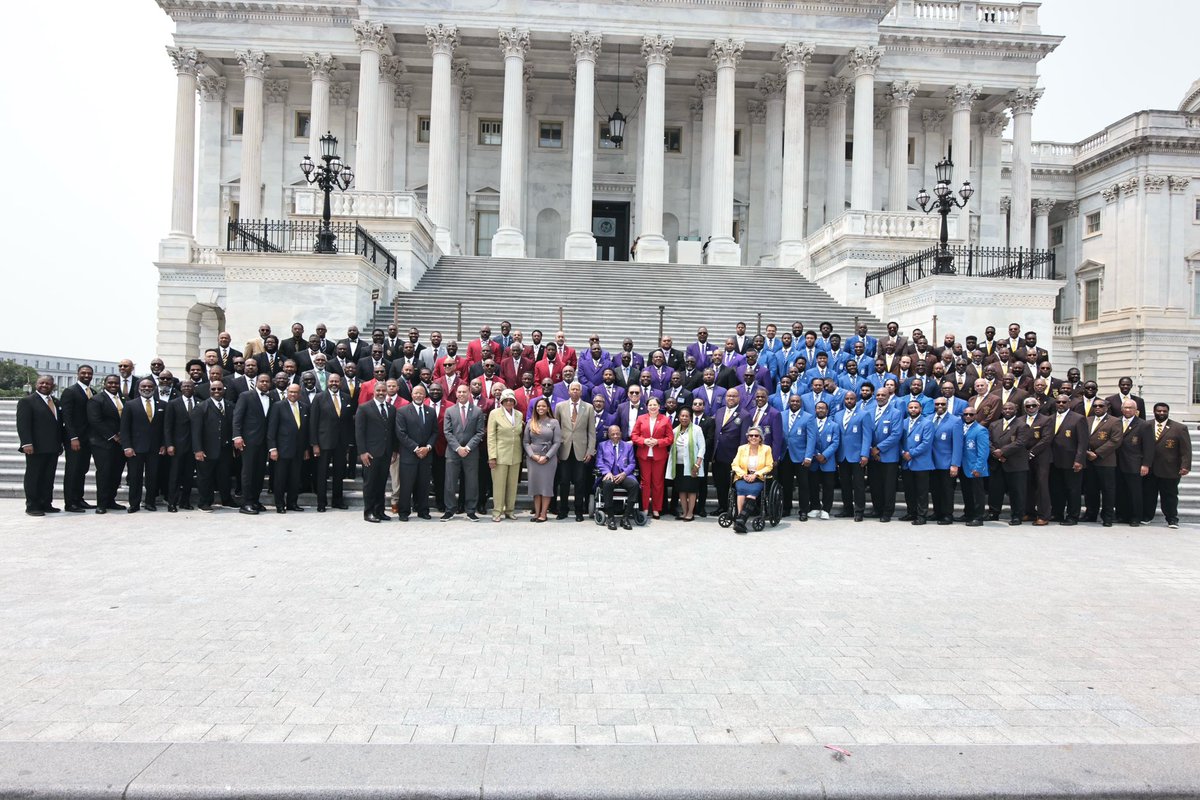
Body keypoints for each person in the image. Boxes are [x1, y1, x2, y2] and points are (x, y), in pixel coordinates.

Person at [16, 375, 64, 516]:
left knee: (48, 477)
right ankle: (32, 506)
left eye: (48, 384)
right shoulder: (27, 401)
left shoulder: (55, 402)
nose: (45, 385)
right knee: (34, 476)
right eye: (42, 383)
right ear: (36, 384)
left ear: (52, 386)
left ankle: (46, 503)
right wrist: (26, 443)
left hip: (53, 447)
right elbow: (23, 425)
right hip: (35, 447)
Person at [121, 378, 167, 513]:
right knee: (135, 477)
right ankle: (134, 504)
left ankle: (150, 502)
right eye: (144, 386)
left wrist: (164, 444)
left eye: (149, 386)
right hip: (135, 448)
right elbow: (124, 428)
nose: (146, 388)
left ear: (154, 388)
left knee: (152, 477)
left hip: (155, 448)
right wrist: (127, 446)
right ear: (139, 388)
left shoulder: (162, 405)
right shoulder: (130, 405)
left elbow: (166, 428)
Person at [1142, 402, 1191, 529]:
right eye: (1159, 411)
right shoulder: (1146, 425)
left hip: (1170, 469)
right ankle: (1147, 516)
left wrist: (1185, 466)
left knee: (1169, 495)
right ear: (1154, 412)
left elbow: (1186, 450)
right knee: (1149, 494)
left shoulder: (1179, 428)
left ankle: (1172, 519)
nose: (1162, 413)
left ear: (1168, 412)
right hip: (1150, 468)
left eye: (1164, 411)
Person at [233, 373, 275, 515]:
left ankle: (255, 501)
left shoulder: (271, 397)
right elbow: (237, 417)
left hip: (264, 442)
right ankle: (246, 503)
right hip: (248, 441)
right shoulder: (246, 396)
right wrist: (237, 436)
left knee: (259, 472)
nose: (264, 383)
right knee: (248, 472)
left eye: (267, 381)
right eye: (261, 381)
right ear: (256, 382)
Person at [394, 384, 437, 521]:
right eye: (416, 393)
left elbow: (435, 432)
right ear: (412, 395)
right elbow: (401, 433)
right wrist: (416, 448)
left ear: (425, 396)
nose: (418, 396)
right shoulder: (402, 411)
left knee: (424, 485)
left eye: (421, 393)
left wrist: (428, 447)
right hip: (409, 455)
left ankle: (423, 510)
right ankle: (404, 511)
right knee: (406, 485)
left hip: (426, 455)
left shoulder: (431, 411)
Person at [308, 373, 351, 512]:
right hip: (323, 443)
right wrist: (314, 444)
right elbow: (313, 422)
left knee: (339, 473)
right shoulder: (319, 398)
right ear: (327, 382)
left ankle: (337, 501)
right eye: (331, 381)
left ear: (340, 383)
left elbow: (348, 421)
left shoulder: (346, 397)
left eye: (336, 381)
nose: (334, 383)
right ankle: (322, 503)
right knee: (322, 474)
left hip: (341, 443)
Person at [554, 382, 596, 521]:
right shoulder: (560, 407)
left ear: (581, 392)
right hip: (564, 449)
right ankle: (563, 510)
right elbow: (556, 429)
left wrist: (590, 451)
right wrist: (556, 451)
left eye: (577, 389)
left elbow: (591, 432)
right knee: (564, 482)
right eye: (572, 389)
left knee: (579, 481)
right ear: (568, 391)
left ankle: (579, 511)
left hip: (581, 450)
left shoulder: (589, 408)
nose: (575, 391)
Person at [442, 384, 485, 521]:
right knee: (450, 482)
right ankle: (449, 510)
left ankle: (471, 510)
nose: (461, 394)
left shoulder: (477, 411)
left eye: (464, 392)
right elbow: (447, 432)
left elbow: (480, 432)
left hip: (471, 453)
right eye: (459, 392)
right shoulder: (449, 411)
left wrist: (467, 448)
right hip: (453, 452)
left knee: (472, 483)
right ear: (456, 394)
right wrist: (458, 448)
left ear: (469, 393)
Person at [191, 380, 235, 511]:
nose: (216, 391)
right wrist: (198, 449)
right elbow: (196, 430)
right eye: (214, 389)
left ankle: (226, 500)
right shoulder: (201, 407)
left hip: (225, 449)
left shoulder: (230, 405)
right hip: (207, 449)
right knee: (205, 477)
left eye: (219, 389)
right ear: (209, 390)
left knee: (225, 476)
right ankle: (204, 502)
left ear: (224, 390)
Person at [987, 401, 1032, 525]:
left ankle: (1017, 515)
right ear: (1002, 411)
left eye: (1010, 409)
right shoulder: (994, 424)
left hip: (1015, 464)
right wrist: (995, 453)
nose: (1007, 411)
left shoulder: (1022, 425)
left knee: (1017, 492)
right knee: (995, 490)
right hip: (997, 463)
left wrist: (1002, 452)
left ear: (1015, 410)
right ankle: (993, 513)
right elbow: (988, 441)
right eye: (1005, 409)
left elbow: (1020, 443)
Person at [267, 383, 310, 513]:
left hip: (298, 450)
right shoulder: (278, 406)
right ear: (287, 392)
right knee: (280, 478)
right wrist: (272, 448)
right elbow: (271, 429)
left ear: (300, 393)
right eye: (291, 392)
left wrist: (306, 449)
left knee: (295, 478)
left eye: (296, 392)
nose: (293, 394)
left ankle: (292, 503)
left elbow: (305, 430)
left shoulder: (304, 407)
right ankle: (280, 504)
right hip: (282, 450)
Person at [356, 382, 395, 523]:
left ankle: (380, 511)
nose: (381, 393)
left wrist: (394, 451)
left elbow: (391, 432)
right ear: (374, 391)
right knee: (370, 484)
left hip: (385, 453)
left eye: (384, 390)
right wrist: (362, 452)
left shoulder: (391, 409)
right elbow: (359, 432)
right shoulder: (364, 408)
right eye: (378, 390)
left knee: (381, 484)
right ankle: (369, 512)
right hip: (370, 454)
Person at [1048, 393, 1088, 526]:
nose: (1060, 404)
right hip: (1054, 460)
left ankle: (1072, 516)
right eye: (1058, 402)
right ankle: (1057, 513)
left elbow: (1083, 442)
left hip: (1071, 461)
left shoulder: (1078, 419)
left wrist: (1079, 460)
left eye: (1064, 402)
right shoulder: (1050, 418)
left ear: (1069, 403)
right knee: (1056, 489)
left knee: (1073, 490)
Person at [1081, 398, 1123, 526]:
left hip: (1105, 461)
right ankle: (1090, 514)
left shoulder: (1115, 421)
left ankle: (1107, 517)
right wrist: (1087, 452)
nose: (1097, 408)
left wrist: (1097, 453)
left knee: (1107, 490)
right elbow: (1082, 437)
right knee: (1090, 489)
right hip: (1088, 460)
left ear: (1106, 408)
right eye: (1095, 406)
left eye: (1100, 406)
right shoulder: (1087, 420)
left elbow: (1115, 441)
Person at [59, 365, 94, 513]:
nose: (86, 375)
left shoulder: (92, 392)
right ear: (78, 374)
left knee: (82, 469)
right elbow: (66, 416)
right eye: (83, 373)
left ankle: (79, 499)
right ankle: (70, 502)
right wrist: (73, 437)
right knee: (73, 470)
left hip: (88, 439)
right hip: (75, 439)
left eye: (89, 373)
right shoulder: (70, 391)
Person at [631, 397, 673, 519]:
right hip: (644, 455)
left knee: (658, 483)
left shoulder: (665, 420)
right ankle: (644, 507)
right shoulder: (641, 418)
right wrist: (644, 441)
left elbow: (670, 438)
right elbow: (634, 435)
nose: (653, 407)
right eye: (650, 405)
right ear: (647, 406)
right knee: (645, 483)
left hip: (659, 456)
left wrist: (657, 442)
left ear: (659, 406)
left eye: (655, 405)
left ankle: (656, 509)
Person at [487, 389, 525, 521]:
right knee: (499, 485)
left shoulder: (519, 414)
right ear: (501, 401)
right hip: (500, 455)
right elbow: (491, 436)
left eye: (511, 400)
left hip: (515, 454)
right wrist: (492, 456)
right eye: (506, 400)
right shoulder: (495, 413)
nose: (509, 402)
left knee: (512, 485)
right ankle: (497, 511)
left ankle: (510, 510)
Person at [834, 390, 871, 522]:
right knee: (845, 484)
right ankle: (847, 509)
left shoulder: (864, 414)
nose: (849, 401)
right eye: (847, 399)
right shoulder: (838, 415)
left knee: (859, 485)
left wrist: (865, 454)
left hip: (857, 455)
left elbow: (867, 436)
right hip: (842, 455)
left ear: (856, 400)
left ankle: (859, 510)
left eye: (852, 399)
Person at [523, 397, 561, 522]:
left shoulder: (554, 422)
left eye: (543, 406)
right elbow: (525, 442)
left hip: (548, 458)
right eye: (538, 406)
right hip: (533, 458)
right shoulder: (530, 422)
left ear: (548, 408)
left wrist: (547, 456)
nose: (541, 408)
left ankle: (544, 514)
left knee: (546, 486)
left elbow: (557, 442)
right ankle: (536, 513)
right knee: (536, 486)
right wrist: (532, 455)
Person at [730, 426, 774, 534]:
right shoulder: (742, 448)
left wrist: (756, 474)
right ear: (748, 438)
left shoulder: (766, 449)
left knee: (751, 494)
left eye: (756, 435)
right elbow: (734, 464)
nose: (753, 437)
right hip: (742, 477)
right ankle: (741, 519)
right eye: (751, 436)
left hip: (758, 478)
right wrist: (743, 474)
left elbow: (769, 466)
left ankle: (740, 520)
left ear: (760, 438)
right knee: (741, 492)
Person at [163, 377, 199, 511]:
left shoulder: (200, 403)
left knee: (189, 476)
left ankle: (185, 501)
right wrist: (169, 444)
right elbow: (167, 426)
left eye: (190, 386)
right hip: (177, 446)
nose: (187, 388)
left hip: (193, 446)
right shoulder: (173, 404)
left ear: (194, 388)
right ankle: (172, 502)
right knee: (175, 476)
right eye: (184, 386)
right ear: (180, 388)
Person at [868, 387, 903, 522]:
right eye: (878, 395)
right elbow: (866, 432)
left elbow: (896, 434)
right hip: (872, 454)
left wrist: (879, 448)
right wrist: (872, 449)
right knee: (875, 484)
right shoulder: (869, 411)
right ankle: (877, 509)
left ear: (889, 396)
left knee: (888, 486)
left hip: (888, 455)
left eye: (883, 395)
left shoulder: (895, 413)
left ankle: (887, 512)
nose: (880, 397)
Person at [927, 396, 963, 525]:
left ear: (947, 405)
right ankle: (937, 512)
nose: (939, 406)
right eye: (937, 404)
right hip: (931, 462)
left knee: (947, 490)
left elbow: (958, 445)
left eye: (942, 404)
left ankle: (947, 514)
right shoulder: (928, 418)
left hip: (947, 462)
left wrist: (955, 464)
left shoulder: (955, 421)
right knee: (935, 489)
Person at [665, 407, 705, 521]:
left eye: (686, 416)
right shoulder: (674, 431)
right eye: (682, 416)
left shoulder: (697, 429)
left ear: (690, 417)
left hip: (692, 465)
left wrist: (697, 464)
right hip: (678, 465)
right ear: (678, 417)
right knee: (681, 489)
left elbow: (702, 447)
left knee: (691, 490)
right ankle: (684, 511)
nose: (684, 418)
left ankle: (690, 513)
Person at [899, 398, 933, 525]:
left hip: (921, 462)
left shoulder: (927, 423)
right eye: (911, 407)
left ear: (921, 409)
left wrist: (911, 453)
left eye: (916, 407)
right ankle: (911, 512)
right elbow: (898, 440)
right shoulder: (903, 422)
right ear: (907, 409)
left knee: (921, 492)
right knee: (909, 490)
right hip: (906, 462)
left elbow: (926, 443)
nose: (913, 409)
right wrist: (902, 453)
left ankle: (921, 515)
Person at [804, 401, 840, 520]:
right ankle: (814, 507)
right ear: (815, 410)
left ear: (827, 410)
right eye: (818, 408)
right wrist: (816, 454)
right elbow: (807, 440)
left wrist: (824, 455)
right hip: (814, 460)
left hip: (827, 461)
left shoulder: (834, 425)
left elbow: (835, 443)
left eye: (823, 408)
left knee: (828, 486)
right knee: (813, 485)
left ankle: (826, 509)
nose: (820, 410)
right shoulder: (810, 423)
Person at [777, 394, 810, 520]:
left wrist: (808, 456)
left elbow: (811, 439)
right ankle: (786, 508)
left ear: (800, 403)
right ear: (789, 402)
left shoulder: (808, 417)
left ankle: (803, 510)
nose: (794, 403)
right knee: (786, 484)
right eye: (792, 401)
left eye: (797, 401)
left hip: (801, 456)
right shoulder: (781, 415)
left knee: (803, 485)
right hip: (785, 455)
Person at [958, 407, 989, 526]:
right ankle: (968, 514)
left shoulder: (980, 430)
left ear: (975, 415)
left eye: (971, 414)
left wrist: (978, 467)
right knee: (967, 492)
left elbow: (983, 451)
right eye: (965, 414)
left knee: (977, 494)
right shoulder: (961, 428)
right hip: (963, 466)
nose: (968, 416)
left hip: (975, 467)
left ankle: (978, 517)